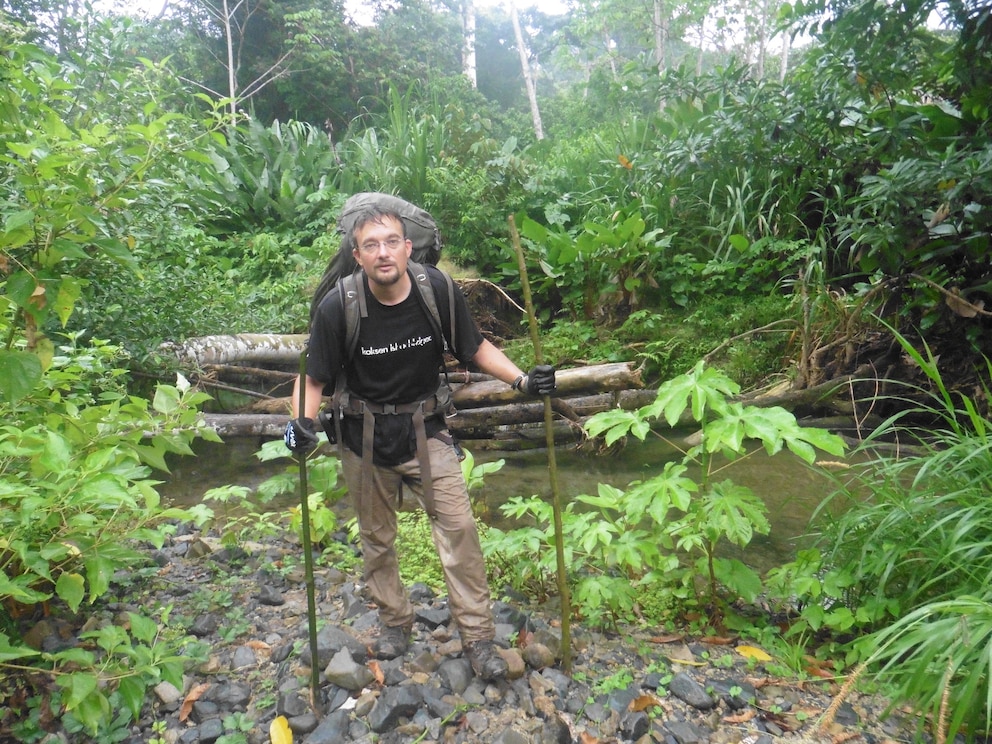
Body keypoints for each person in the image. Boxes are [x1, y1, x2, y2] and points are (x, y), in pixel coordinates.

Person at [285, 204, 556, 682]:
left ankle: (477, 638)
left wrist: (522, 383)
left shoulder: (437, 291)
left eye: (392, 242)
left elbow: (474, 347)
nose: (383, 252)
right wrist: (299, 425)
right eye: (371, 245)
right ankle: (395, 622)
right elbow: (313, 377)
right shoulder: (339, 306)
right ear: (358, 255)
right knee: (376, 539)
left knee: (459, 530)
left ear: (408, 248)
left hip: (424, 431)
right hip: (362, 438)